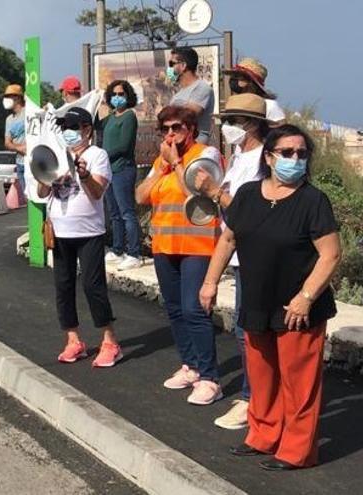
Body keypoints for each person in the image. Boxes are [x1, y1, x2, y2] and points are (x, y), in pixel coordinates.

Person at [199, 124, 341, 471]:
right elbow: (228, 240)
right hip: (257, 302)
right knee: (262, 376)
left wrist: (306, 297)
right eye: (288, 153)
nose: (296, 159)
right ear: (269, 157)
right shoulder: (247, 194)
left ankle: (296, 450)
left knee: (299, 383)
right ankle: (263, 435)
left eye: (302, 153)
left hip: (297, 308)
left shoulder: (313, 201)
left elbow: (331, 255)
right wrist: (209, 282)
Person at [135, 105, 223, 405]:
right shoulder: (162, 161)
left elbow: (199, 194)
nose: (171, 134)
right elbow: (141, 196)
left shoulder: (205, 155)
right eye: (166, 129)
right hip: (165, 246)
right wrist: (162, 167)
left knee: (194, 310)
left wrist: (177, 163)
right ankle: (191, 366)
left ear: (191, 129)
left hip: (197, 247)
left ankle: (210, 378)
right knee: (174, 309)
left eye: (177, 128)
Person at [195, 94, 272, 429]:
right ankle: (254, 396)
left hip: (256, 256)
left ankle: (254, 399)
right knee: (245, 331)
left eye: (231, 122)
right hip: (237, 253)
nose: (225, 128)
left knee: (249, 331)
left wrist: (214, 191)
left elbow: (251, 212)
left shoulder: (264, 161)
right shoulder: (240, 156)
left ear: (250, 123)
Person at [35, 108, 122, 368]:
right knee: (63, 286)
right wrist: (47, 177)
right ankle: (73, 339)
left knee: (93, 287)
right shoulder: (58, 155)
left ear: (87, 129)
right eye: (63, 128)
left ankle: (110, 341)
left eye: (72, 127)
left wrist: (82, 175)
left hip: (89, 232)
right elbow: (41, 192)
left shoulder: (98, 155)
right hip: (61, 231)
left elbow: (97, 192)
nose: (67, 132)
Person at [101, 80, 143, 271]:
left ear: (128, 96)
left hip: (123, 170)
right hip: (109, 171)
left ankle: (134, 253)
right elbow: (92, 124)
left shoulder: (129, 116)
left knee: (127, 213)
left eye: (121, 94)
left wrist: (103, 155)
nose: (117, 97)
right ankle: (118, 250)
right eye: (114, 94)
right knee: (114, 213)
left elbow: (124, 146)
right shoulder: (110, 118)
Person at [168, 47, 215, 144]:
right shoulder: (177, 95)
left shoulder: (202, 88)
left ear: (183, 65)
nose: (169, 68)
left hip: (196, 147)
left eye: (172, 64)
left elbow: (189, 115)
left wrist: (166, 112)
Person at [223, 58, 286, 123]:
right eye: (233, 76)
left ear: (251, 83)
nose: (234, 80)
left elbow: (280, 129)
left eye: (239, 77)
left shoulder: (269, 105)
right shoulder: (232, 103)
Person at [3, 83, 27, 193]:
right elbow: (7, 143)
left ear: (17, 97)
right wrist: (19, 148)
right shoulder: (9, 119)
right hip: (19, 163)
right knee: (27, 197)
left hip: (31, 162)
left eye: (8, 96)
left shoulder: (28, 112)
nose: (5, 99)